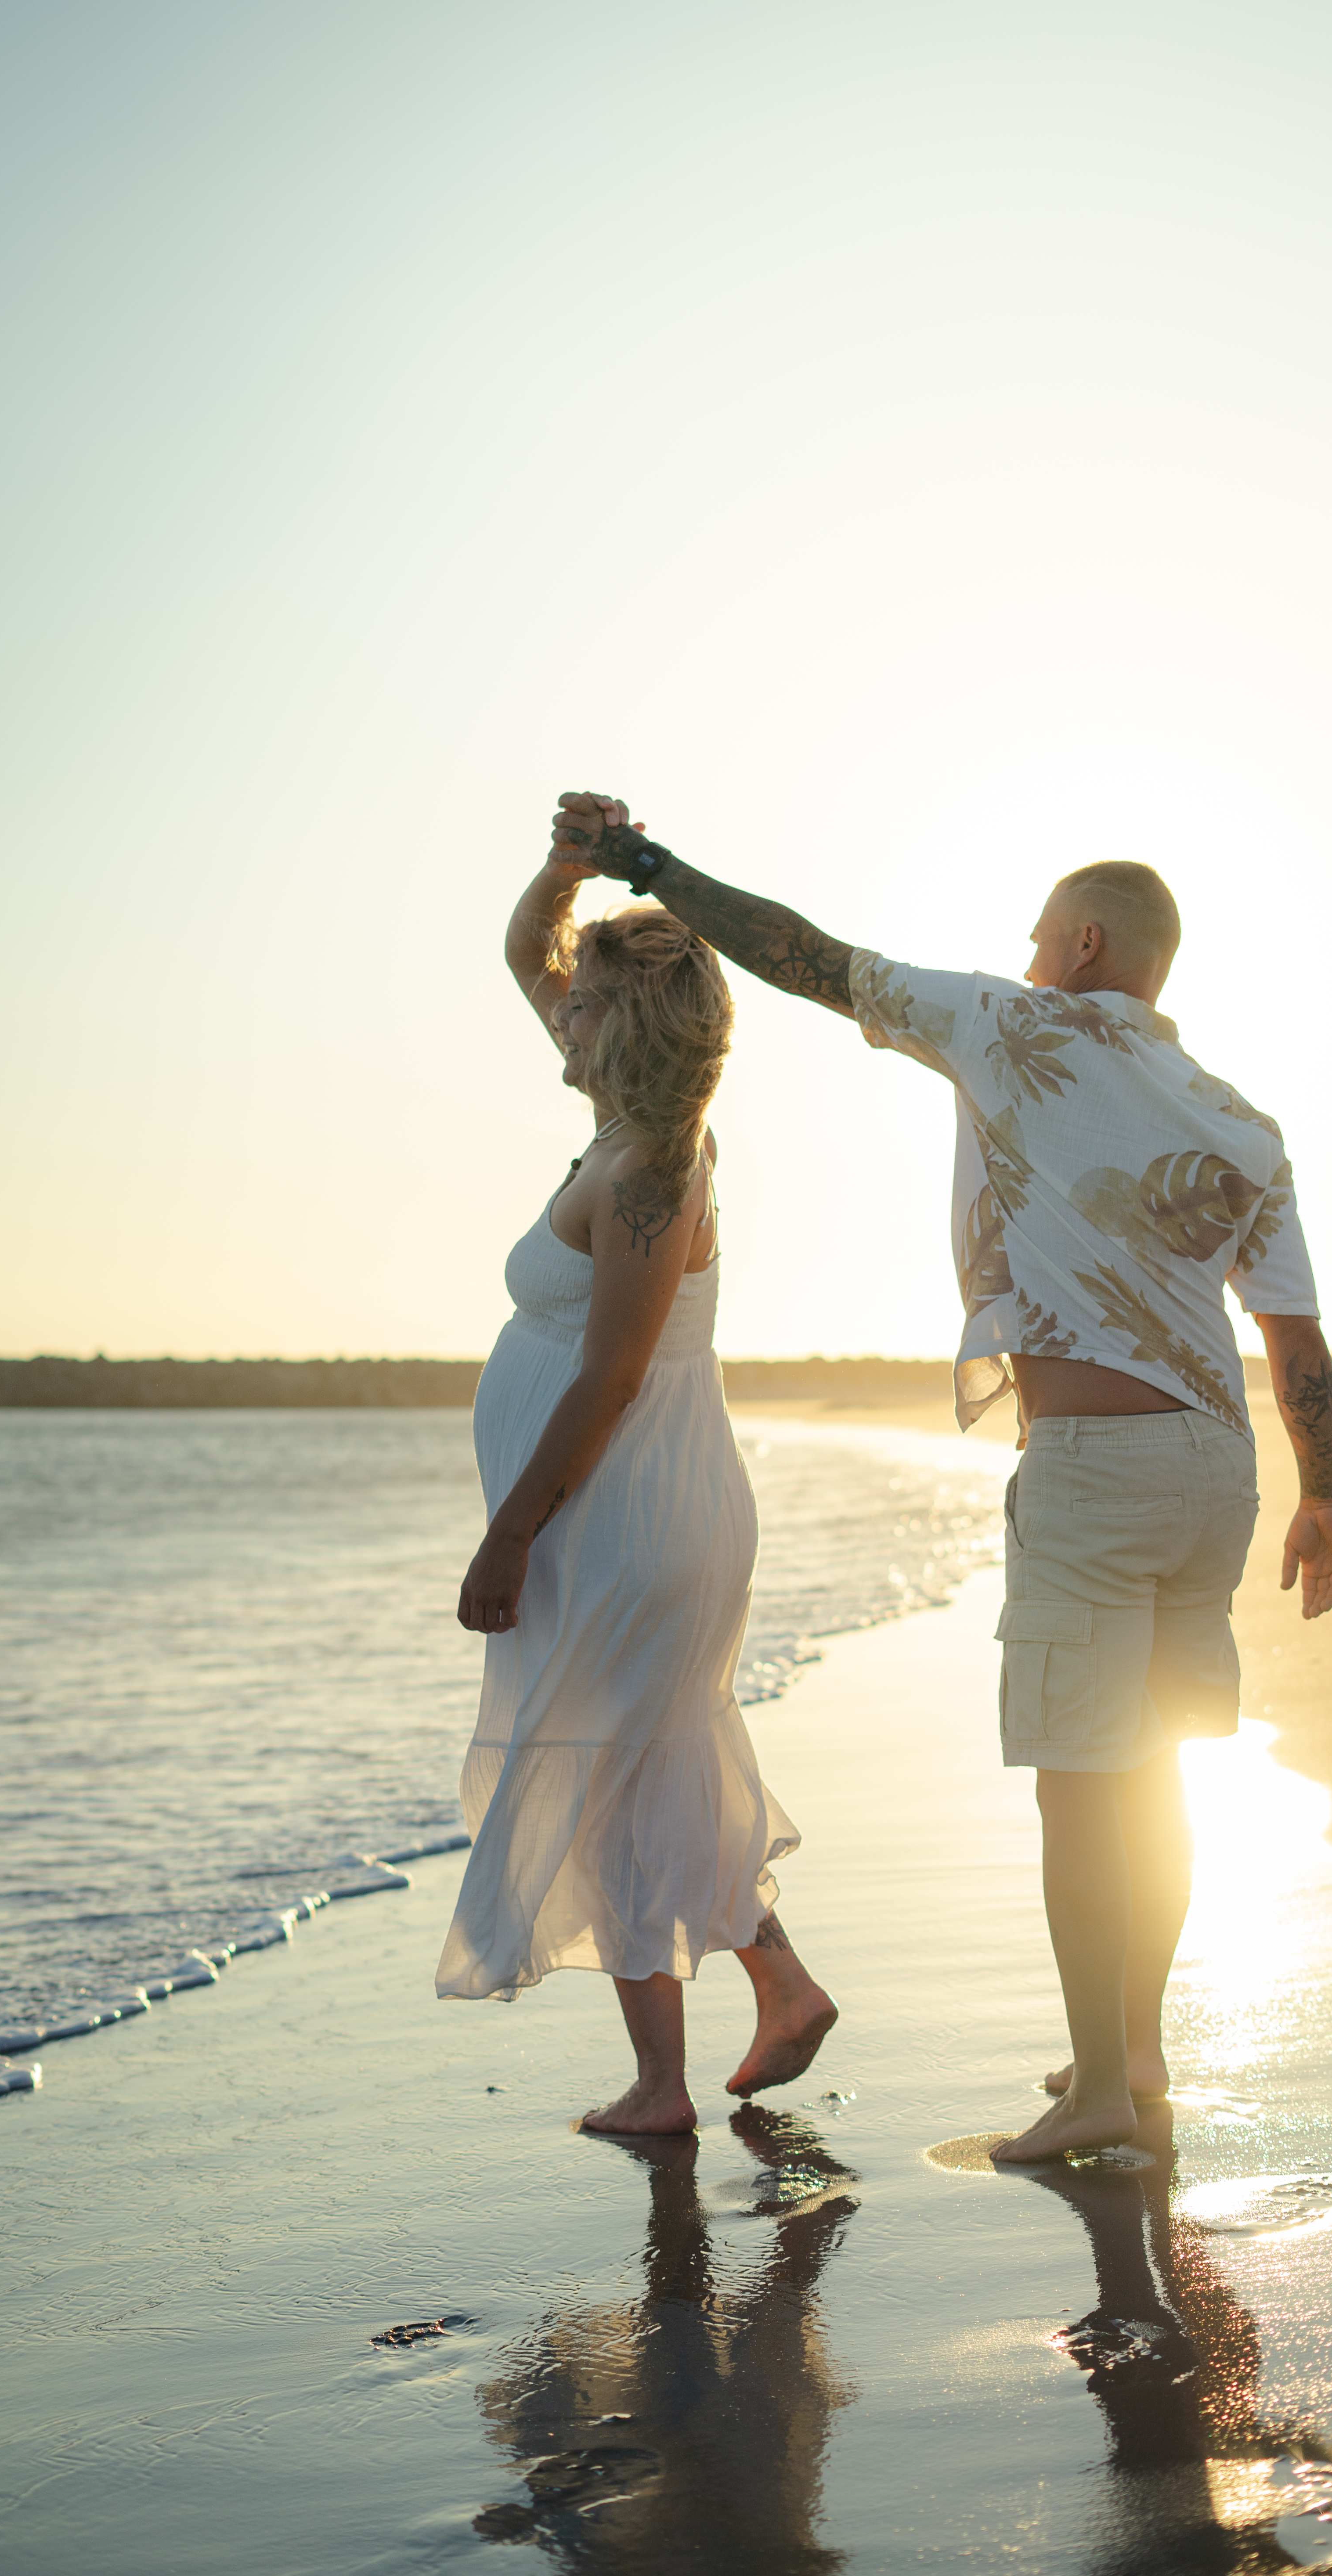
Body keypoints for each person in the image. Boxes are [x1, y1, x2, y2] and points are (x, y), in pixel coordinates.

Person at [551, 791, 1332, 2162]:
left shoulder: (1009, 1023)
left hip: (1095, 1472)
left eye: (1042, 937)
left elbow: (805, 956)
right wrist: (1326, 1497)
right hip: (1218, 1472)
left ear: (1088, 944)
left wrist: (644, 866)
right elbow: (1298, 1342)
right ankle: (1138, 2053)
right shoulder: (1242, 1121)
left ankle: (1106, 2092)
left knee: (1078, 1785)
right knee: (1153, 1777)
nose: (1028, 954)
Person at [436, 816, 837, 2135]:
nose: (565, 1015)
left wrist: (508, 1538)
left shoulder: (657, 1168)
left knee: (611, 1767)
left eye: (590, 1004)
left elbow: (610, 1381)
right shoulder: (622, 1132)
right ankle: (763, 1999)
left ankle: (671, 2080)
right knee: (647, 1759)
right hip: (624, 1508)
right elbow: (524, 952)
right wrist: (571, 867)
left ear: (633, 1027)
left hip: (629, 1509)